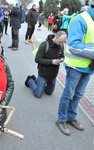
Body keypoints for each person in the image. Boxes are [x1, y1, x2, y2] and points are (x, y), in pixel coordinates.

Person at [56, 1, 94, 136]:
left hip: (88, 67)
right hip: (75, 66)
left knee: (78, 95)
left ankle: (71, 117)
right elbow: (74, 46)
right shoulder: (80, 20)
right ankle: (61, 120)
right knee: (69, 94)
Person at [25, 31, 67, 98]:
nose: (61, 44)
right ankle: (30, 80)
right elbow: (37, 59)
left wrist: (62, 58)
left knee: (49, 92)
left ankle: (38, 82)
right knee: (38, 94)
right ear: (55, 37)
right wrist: (52, 62)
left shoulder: (61, 46)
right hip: (43, 73)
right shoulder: (44, 45)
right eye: (60, 42)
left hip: (53, 74)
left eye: (63, 42)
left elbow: (62, 55)